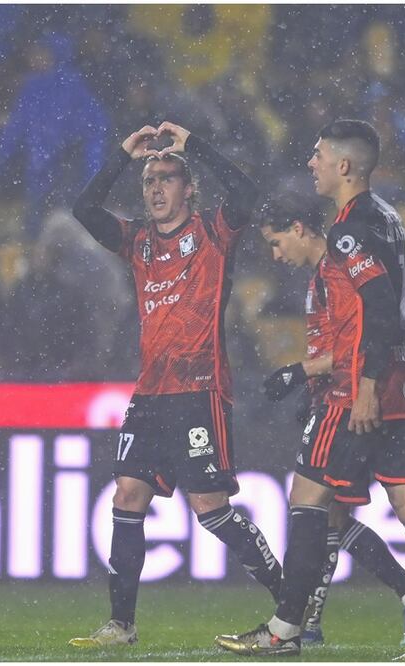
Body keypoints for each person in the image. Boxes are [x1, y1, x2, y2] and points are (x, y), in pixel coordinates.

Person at [214, 120, 405, 659]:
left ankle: (286, 630)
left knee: (309, 498)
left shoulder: (351, 230)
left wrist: (364, 386)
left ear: (344, 166)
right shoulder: (390, 219)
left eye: (319, 155)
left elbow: (374, 308)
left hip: (361, 388)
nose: (311, 163)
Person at [68, 122, 284, 647]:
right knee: (127, 495)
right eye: (149, 181)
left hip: (199, 389)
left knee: (211, 510)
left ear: (188, 189)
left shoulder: (213, 231)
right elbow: (85, 211)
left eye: (167, 179)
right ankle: (121, 624)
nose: (157, 189)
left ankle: (293, 603)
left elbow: (250, 196)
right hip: (149, 394)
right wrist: (123, 153)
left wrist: (197, 147)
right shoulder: (137, 241)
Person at [254, 194, 405, 647]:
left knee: (308, 502)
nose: (276, 256)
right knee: (328, 514)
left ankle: (290, 624)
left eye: (276, 243)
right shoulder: (321, 273)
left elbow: (360, 341)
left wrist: (301, 372)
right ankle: (312, 620)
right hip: (335, 396)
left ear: (298, 228)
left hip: (351, 399)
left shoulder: (337, 266)